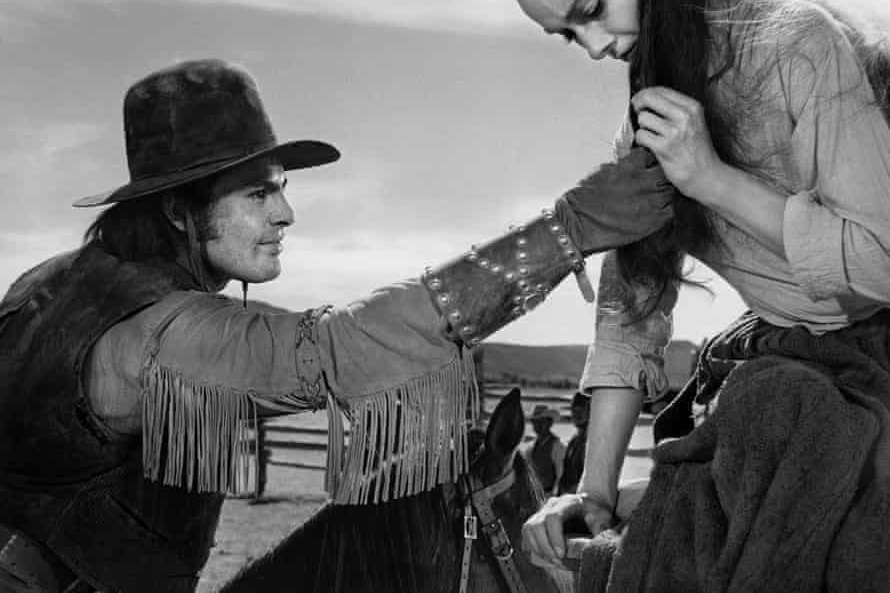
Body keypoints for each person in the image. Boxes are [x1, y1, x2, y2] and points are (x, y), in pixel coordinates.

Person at [0, 58, 673, 593]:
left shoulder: (55, 282)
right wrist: (569, 230)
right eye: (258, 192)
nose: (286, 212)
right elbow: (332, 353)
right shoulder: (158, 333)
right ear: (179, 209)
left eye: (282, 185)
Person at [500, 0, 890, 589]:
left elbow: (880, 261)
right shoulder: (646, 126)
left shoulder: (796, 43)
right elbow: (632, 314)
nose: (592, 46)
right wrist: (594, 489)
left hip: (874, 354)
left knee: (784, 432)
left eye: (592, 4)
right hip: (778, 361)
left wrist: (711, 179)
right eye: (565, 34)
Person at [522, 404, 565, 495]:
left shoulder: (557, 446)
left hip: (549, 494)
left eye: (542, 422)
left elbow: (561, 474)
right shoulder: (531, 447)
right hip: (533, 495)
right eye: (535, 422)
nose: (538, 425)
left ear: (550, 423)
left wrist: (555, 496)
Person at [557, 391, 590, 494]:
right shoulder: (574, 440)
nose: (577, 414)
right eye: (574, 411)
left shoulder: (592, 440)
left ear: (590, 411)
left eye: (581, 410)